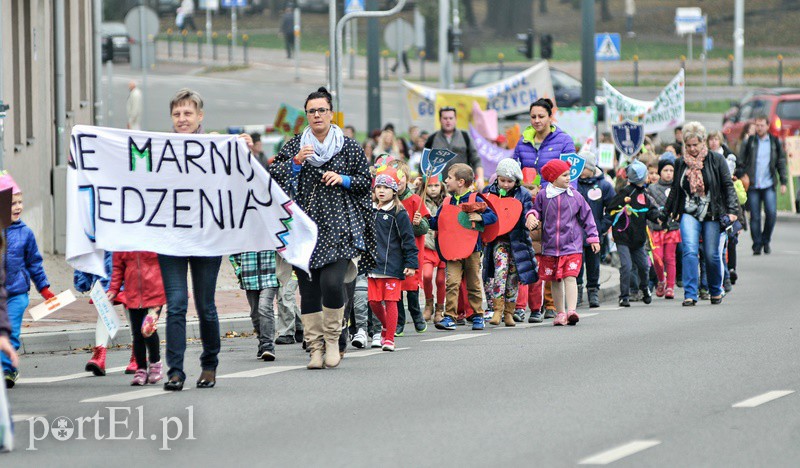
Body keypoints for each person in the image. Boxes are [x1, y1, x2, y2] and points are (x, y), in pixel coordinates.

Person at [269, 87, 374, 370]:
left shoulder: (349, 146)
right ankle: (315, 348)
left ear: (331, 113)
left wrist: (343, 179)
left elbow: (366, 181)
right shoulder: (294, 146)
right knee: (309, 289)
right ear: (307, 115)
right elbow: (273, 179)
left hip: (340, 227)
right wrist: (295, 163)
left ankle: (332, 341)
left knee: (331, 284)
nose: (317, 115)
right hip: (305, 230)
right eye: (311, 111)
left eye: (322, 110)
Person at [160, 88, 254, 391]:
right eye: (177, 114)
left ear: (199, 116)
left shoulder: (215, 144)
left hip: (207, 239)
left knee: (205, 305)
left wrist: (243, 149)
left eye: (188, 113)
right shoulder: (160, 149)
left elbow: (240, 175)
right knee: (175, 304)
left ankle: (209, 364)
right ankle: (174, 371)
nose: (182, 119)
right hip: (172, 240)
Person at [664, 122, 739, 306]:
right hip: (688, 212)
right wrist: (666, 212)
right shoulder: (680, 162)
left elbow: (727, 185)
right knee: (689, 250)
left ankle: (715, 289)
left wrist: (732, 211)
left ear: (702, 142)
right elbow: (675, 190)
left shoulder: (716, 160)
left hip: (711, 212)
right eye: (688, 145)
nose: (692, 149)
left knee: (712, 254)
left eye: (695, 145)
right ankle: (690, 294)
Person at [529, 160, 600, 326]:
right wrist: (531, 216)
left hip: (572, 246)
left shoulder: (575, 196)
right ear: (553, 178)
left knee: (570, 277)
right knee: (555, 280)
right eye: (565, 175)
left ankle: (572, 311)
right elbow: (536, 211)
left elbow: (587, 217)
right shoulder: (543, 195)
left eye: (569, 174)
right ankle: (560, 312)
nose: (569, 178)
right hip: (550, 247)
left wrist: (593, 237)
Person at [0, 173, 54, 388]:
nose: (18, 206)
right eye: (12, 202)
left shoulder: (26, 233)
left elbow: (34, 263)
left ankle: (8, 371)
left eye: (20, 202)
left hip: (17, 294)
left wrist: (45, 288)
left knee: (11, 331)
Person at [429, 163, 497, 331]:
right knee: (452, 283)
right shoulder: (446, 201)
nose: (446, 181)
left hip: (472, 249)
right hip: (452, 250)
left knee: (473, 283)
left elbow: (493, 216)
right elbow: (438, 223)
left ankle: (477, 315)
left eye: (449, 178)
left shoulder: (476, 199)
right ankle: (450, 317)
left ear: (460, 182)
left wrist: (480, 217)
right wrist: (423, 219)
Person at [482, 159, 538, 327]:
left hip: (517, 241)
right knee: (500, 272)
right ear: (497, 178)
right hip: (498, 240)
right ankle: (497, 309)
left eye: (510, 181)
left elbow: (528, 211)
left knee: (513, 277)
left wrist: (530, 218)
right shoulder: (488, 192)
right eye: (502, 180)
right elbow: (484, 212)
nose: (505, 184)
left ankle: (509, 312)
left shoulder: (523, 194)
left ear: (516, 181)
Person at [368, 171, 418, 351]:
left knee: (391, 302)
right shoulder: (370, 209)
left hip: (393, 265)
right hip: (372, 265)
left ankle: (389, 338)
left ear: (394, 191)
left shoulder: (399, 212)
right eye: (379, 187)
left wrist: (411, 263)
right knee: (374, 302)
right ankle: (385, 327)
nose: (382, 191)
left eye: (386, 188)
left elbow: (408, 239)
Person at [106, 251, 166, 386]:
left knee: (148, 329)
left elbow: (169, 261)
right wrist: (113, 289)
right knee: (137, 334)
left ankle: (155, 364)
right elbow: (117, 268)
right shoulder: (123, 243)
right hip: (132, 295)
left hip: (155, 293)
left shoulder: (154, 234)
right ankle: (141, 370)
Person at [607, 160, 661, 307]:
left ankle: (645, 289)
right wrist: (605, 227)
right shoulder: (624, 193)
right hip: (623, 237)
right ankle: (624, 296)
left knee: (644, 266)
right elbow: (611, 210)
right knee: (626, 266)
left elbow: (650, 211)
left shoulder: (644, 194)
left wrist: (658, 217)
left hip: (638, 239)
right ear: (640, 177)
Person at [736, 115, 789, 255]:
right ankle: (757, 244)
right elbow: (740, 160)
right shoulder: (750, 142)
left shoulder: (774, 142)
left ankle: (766, 240)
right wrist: (743, 175)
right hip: (753, 184)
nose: (759, 128)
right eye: (757, 125)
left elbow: (781, 162)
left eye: (761, 125)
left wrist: (783, 182)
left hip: (768, 183)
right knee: (755, 216)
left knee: (771, 213)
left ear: (767, 126)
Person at [390, 161, 430, 335]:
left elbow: (425, 228)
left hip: (411, 250)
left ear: (407, 179)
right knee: (396, 286)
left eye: (401, 178)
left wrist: (418, 223)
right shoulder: (387, 201)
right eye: (395, 178)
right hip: (393, 251)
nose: (398, 182)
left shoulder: (415, 200)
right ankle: (399, 320)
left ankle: (417, 315)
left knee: (412, 285)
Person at [576, 150, 615, 308]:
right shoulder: (573, 184)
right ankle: (577, 292)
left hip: (594, 233)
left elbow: (613, 208)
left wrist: (603, 225)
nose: (579, 170)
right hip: (575, 233)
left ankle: (593, 292)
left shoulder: (603, 185)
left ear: (591, 168)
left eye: (582, 167)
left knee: (594, 264)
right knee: (576, 265)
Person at [229, 250, 279, 361]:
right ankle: (262, 342)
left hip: (270, 274)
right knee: (255, 313)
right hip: (249, 276)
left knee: (265, 307)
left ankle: (268, 345)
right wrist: (239, 270)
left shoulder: (269, 232)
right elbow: (233, 251)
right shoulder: (243, 233)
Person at [512, 98, 576, 186]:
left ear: (550, 118)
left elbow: (572, 175)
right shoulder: (522, 142)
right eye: (533, 117)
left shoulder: (565, 141)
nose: (537, 120)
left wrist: (569, 197)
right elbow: (514, 172)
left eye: (541, 116)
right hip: (527, 196)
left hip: (554, 197)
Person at [424, 107, 484, 190]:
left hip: (462, 187)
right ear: (440, 120)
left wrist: (480, 178)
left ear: (455, 119)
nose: (448, 121)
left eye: (451, 118)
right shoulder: (432, 138)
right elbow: (424, 163)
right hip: (439, 188)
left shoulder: (465, 136)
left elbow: (476, 159)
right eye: (445, 118)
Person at [647, 158, 681, 299]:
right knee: (657, 258)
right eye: (665, 170)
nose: (668, 173)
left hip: (672, 228)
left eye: (671, 170)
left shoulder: (678, 187)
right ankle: (661, 280)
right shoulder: (652, 188)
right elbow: (649, 208)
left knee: (670, 258)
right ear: (660, 172)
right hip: (656, 228)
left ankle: (670, 287)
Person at [417, 173, 446, 324]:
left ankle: (440, 308)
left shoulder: (447, 200)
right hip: (427, 245)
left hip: (443, 246)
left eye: (436, 185)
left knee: (441, 280)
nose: (433, 189)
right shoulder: (420, 200)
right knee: (427, 275)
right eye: (430, 186)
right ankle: (429, 304)